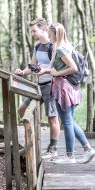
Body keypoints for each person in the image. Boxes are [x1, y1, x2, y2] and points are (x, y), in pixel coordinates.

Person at [37, 23, 95, 164]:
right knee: (69, 121)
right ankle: (88, 149)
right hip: (70, 88)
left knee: (67, 122)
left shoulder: (60, 49)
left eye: (50, 34)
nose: (49, 36)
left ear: (55, 34)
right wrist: (45, 71)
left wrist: (57, 73)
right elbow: (60, 67)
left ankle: (70, 156)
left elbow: (73, 68)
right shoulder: (66, 46)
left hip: (63, 89)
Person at [15, 18, 60, 159]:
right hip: (38, 86)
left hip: (51, 85)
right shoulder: (37, 46)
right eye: (31, 31)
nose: (32, 33)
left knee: (52, 117)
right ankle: (32, 137)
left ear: (44, 29)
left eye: (34, 31)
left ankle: (53, 148)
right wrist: (23, 72)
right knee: (21, 109)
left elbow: (57, 68)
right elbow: (32, 65)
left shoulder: (53, 46)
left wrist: (44, 70)